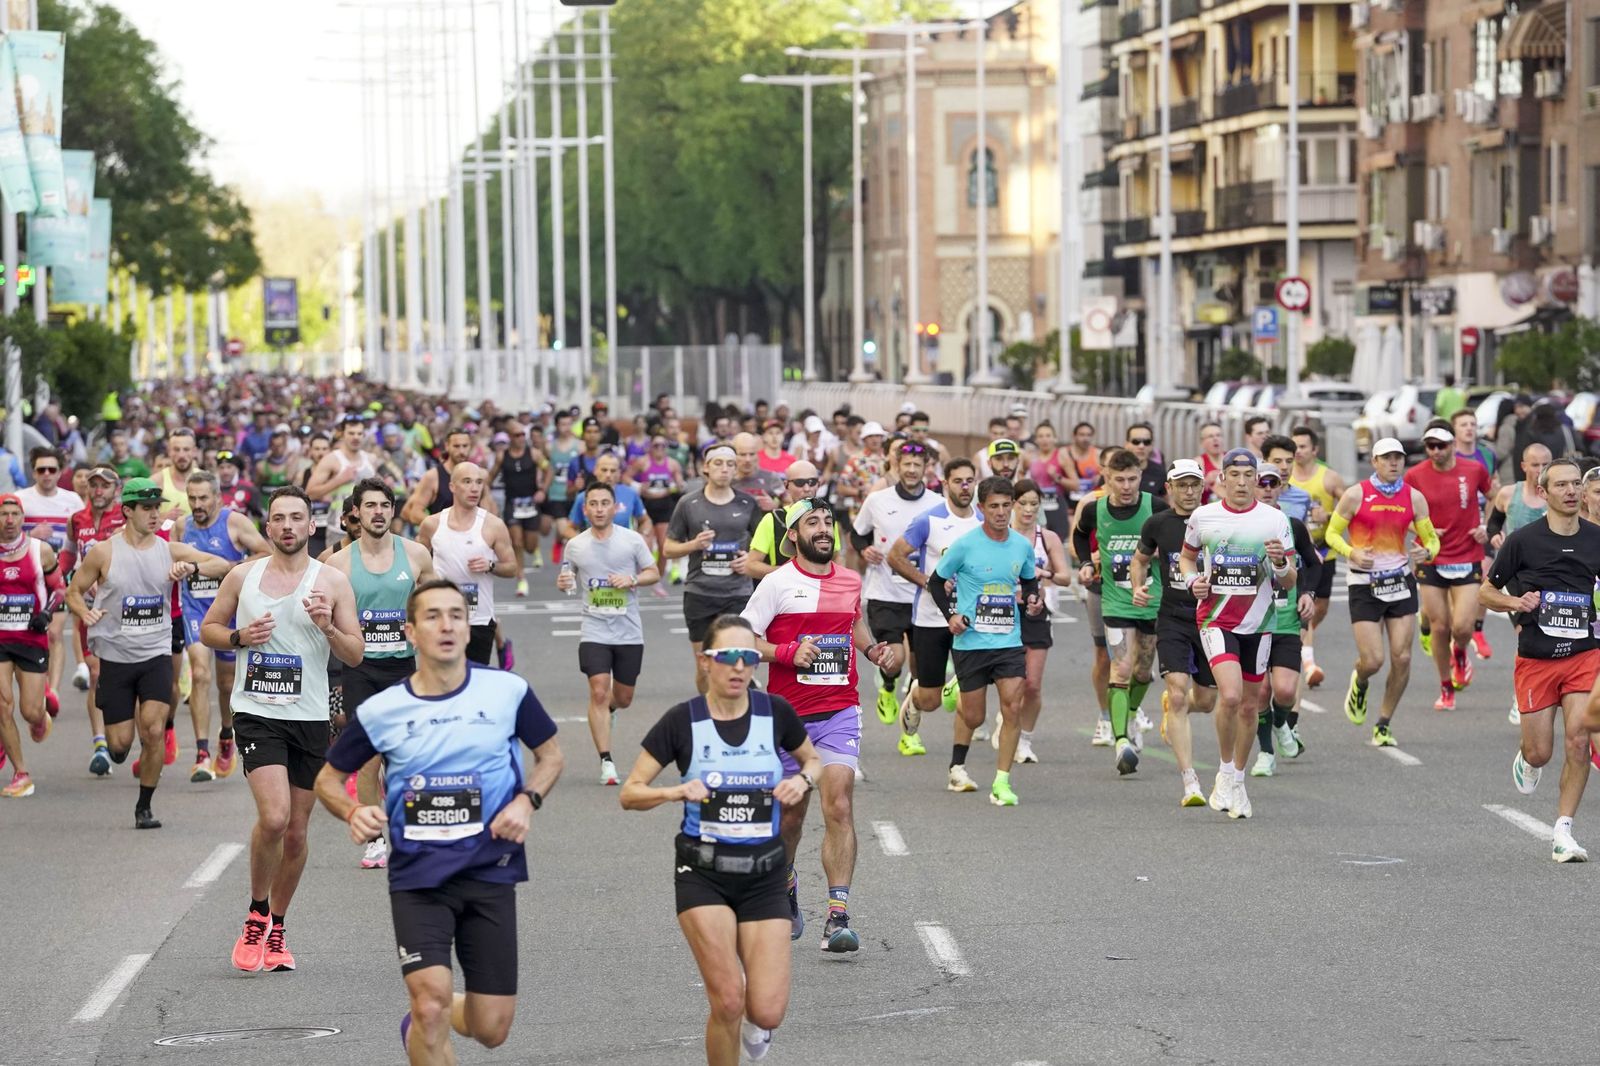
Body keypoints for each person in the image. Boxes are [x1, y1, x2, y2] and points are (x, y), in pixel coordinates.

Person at [316, 580, 563, 1062]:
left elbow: (550, 756)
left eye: (456, 614)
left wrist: (525, 801)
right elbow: (328, 779)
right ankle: (426, 1011)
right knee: (430, 1002)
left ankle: (425, 1013)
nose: (447, 624)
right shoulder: (384, 709)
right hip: (418, 877)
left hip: (490, 870)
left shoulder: (506, 691)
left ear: (468, 628)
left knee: (492, 1029)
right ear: (410, 631)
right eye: (432, 616)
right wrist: (352, 809)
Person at [621, 615, 819, 1066]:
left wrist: (803, 781)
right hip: (703, 875)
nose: (738, 667)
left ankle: (752, 1031)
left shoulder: (775, 713)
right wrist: (675, 790)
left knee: (766, 1009)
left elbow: (814, 761)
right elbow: (630, 793)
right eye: (727, 657)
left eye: (748, 657)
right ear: (705, 661)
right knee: (728, 1000)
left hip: (765, 874)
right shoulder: (682, 722)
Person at [200, 486, 364, 972]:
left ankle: (278, 927)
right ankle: (255, 915)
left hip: (310, 715)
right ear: (267, 527)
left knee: (295, 832)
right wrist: (237, 637)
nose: (288, 526)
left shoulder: (331, 582)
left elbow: (355, 653)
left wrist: (327, 627)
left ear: (312, 527)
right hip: (256, 711)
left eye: (297, 517)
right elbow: (209, 628)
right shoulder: (241, 576)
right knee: (273, 818)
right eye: (279, 518)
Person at [742, 498, 899, 950]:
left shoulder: (849, 580)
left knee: (840, 804)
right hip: (788, 719)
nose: (824, 529)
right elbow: (745, 639)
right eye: (812, 522)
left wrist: (872, 652)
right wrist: (788, 652)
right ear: (793, 535)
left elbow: (854, 625)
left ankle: (838, 915)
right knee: (791, 814)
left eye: (828, 521)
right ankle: (786, 882)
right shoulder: (776, 583)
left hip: (839, 710)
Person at [65, 477, 233, 828]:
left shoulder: (169, 550)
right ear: (127, 511)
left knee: (154, 730)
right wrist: (85, 612)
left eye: (157, 507)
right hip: (114, 654)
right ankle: (117, 745)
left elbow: (223, 565)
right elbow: (74, 591)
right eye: (146, 508)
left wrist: (193, 568)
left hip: (155, 652)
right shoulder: (104, 552)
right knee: (120, 746)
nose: (155, 514)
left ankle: (144, 807)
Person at [1480, 458, 1600, 862]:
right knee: (1541, 752)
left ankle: (1563, 830)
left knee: (1579, 740)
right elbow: (1486, 593)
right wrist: (1517, 601)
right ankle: (1527, 758)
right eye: (1561, 485)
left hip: (1584, 655)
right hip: (1537, 659)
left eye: (1574, 485)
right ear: (1544, 493)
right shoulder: (1523, 541)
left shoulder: (1597, 539)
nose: (1570, 491)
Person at [1176, 449, 1297, 820]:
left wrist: (1279, 563)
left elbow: (1290, 580)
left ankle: (1239, 779)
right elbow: (1186, 558)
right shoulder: (1203, 517)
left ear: (1257, 479)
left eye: (1250, 475)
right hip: (1215, 620)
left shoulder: (1274, 520)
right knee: (1228, 696)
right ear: (1221, 478)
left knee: (1249, 705)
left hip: (1259, 625)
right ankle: (1224, 770)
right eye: (1235, 474)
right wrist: (1193, 581)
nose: (1243, 482)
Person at [327, 477, 437, 869]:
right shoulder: (338, 562)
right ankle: (375, 840)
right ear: (356, 512)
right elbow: (322, 616)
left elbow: (433, 603)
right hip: (359, 667)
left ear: (393, 510)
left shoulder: (417, 555)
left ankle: (414, 832)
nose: (378, 512)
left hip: (404, 668)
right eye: (370, 506)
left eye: (385, 506)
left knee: (407, 756)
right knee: (370, 757)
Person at [926, 476, 1044, 806]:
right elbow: (936, 583)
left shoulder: (1021, 545)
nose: (1002, 512)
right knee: (975, 717)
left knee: (1012, 707)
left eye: (1008, 505)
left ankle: (1002, 782)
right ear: (981, 508)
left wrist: (1033, 599)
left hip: (1008, 640)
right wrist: (951, 616)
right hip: (972, 642)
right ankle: (957, 691)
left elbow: (1030, 582)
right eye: (994, 506)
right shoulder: (965, 545)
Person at [1324, 437, 1438, 746]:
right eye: (1386, 458)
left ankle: (1384, 723)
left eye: (1398, 458)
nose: (1393, 463)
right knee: (1373, 660)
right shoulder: (1355, 495)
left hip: (1400, 581)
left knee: (1402, 658)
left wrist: (1426, 552)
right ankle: (1360, 682)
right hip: (1364, 582)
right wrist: (1351, 553)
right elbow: (1331, 533)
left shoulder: (1414, 498)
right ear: (1374, 461)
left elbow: (1431, 540)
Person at [556, 482, 660, 785]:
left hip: (628, 630)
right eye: (593, 503)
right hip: (594, 628)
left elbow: (653, 573)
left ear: (616, 508)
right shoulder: (575, 544)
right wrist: (565, 584)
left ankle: (612, 709)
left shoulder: (632, 540)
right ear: (585, 509)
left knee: (623, 697)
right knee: (598, 690)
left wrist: (632, 579)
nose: (599, 509)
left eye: (605, 503)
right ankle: (607, 762)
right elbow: (567, 578)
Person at [1074, 447, 1166, 773]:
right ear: (1107, 478)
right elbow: (1080, 535)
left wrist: (1154, 556)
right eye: (1119, 480)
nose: (1126, 487)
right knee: (1121, 669)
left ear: (1140, 477)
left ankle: (1127, 714)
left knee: (1143, 672)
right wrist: (1086, 562)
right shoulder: (1094, 509)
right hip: (1115, 601)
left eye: (1132, 479)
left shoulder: (1155, 506)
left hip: (1151, 600)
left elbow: (1174, 540)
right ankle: (1121, 741)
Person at [1131, 460, 1217, 806]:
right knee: (1179, 694)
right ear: (1169, 488)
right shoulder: (1158, 524)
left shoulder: (1216, 520)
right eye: (1182, 485)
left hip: (1212, 618)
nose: (1189, 491)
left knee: (1207, 701)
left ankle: (1174, 709)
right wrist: (1138, 588)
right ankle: (1190, 781)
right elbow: (1140, 559)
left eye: (1195, 484)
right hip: (1173, 617)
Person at [175, 469, 270, 782]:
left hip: (229, 610)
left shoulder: (234, 522)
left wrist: (230, 569)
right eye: (192, 498)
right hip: (195, 608)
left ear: (217, 497)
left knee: (226, 684)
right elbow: (169, 559)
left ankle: (226, 735)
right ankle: (201, 753)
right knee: (199, 673)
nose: (198, 504)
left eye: (204, 498)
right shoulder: (181, 526)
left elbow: (264, 552)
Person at [889, 460, 979, 765]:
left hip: (969, 620)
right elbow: (895, 556)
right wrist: (928, 582)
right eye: (958, 481)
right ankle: (914, 697)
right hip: (930, 619)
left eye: (969, 481)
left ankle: (958, 766)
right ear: (945, 484)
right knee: (931, 700)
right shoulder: (929, 520)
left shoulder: (983, 521)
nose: (964, 487)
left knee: (971, 691)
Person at [851, 439, 941, 725]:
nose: (912, 470)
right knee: (896, 660)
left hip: (922, 597)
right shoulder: (878, 500)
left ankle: (909, 717)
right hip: (885, 593)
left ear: (927, 468)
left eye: (918, 465)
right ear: (896, 466)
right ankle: (888, 687)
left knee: (919, 667)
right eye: (907, 465)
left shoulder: (938, 505)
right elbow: (858, 533)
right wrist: (865, 549)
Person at [1405, 421, 1493, 711]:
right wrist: (1420, 531)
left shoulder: (1473, 470)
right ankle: (1445, 687)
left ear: (1453, 445)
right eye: (1430, 446)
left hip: (1467, 554)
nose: (1435, 451)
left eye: (1441, 445)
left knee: (1463, 626)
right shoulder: (1415, 475)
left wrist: (1486, 527)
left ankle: (1462, 652)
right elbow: (1401, 511)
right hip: (1432, 557)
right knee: (1440, 626)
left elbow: (1494, 498)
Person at [664, 442, 764, 694]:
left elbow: (764, 543)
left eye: (730, 464)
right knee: (706, 667)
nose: (724, 469)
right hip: (700, 592)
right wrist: (694, 544)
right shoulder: (688, 503)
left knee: (734, 660)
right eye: (718, 463)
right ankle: (708, 714)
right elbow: (668, 548)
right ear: (705, 468)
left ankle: (735, 711)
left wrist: (748, 560)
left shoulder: (747, 504)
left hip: (737, 594)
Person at [1248, 466, 1320, 777]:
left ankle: (1280, 724)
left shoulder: (1292, 526)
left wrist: (1308, 594)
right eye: (1260, 483)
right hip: (1251, 621)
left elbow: (1313, 565)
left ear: (1281, 487)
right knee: (1261, 692)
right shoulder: (1240, 525)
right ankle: (1265, 753)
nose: (1266, 488)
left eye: (1272, 483)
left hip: (1287, 620)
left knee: (1286, 692)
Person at [416, 463, 518, 667]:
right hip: (440, 617)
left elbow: (512, 567)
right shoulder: (432, 524)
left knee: (473, 681)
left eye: (479, 482)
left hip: (478, 619)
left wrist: (490, 565)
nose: (474, 488)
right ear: (453, 486)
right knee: (442, 678)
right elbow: (416, 564)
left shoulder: (493, 525)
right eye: (467, 482)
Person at [64, 466, 125, 775]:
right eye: (93, 485)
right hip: (89, 609)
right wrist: (67, 580)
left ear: (116, 488)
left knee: (126, 674)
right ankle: (100, 744)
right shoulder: (77, 520)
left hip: (123, 610)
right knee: (96, 672)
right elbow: (68, 554)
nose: (98, 490)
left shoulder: (127, 518)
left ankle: (126, 735)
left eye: (104, 485)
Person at [0, 494, 62, 797]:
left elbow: (59, 589)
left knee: (30, 711)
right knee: (2, 705)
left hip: (30, 638)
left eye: (14, 514)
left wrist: (47, 613)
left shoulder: (41, 551)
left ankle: (40, 718)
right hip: (1, 639)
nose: (9, 520)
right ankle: (21, 773)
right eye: (3, 514)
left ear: (23, 518)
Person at [1007, 479, 1073, 765]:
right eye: (1023, 503)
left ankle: (1024, 739)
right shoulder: (1000, 536)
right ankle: (1007, 723)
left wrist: (1039, 574)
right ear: (1012, 505)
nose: (1029, 509)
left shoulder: (1047, 538)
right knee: (1010, 682)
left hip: (1036, 613)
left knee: (1032, 684)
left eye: (1034, 504)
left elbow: (1064, 577)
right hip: (1003, 612)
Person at [17, 445, 83, 709]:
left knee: (55, 633)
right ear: (33, 472)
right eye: (41, 469)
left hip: (59, 575)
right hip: (28, 578)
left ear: (60, 472)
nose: (46, 474)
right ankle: (39, 684)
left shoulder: (73, 501)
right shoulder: (21, 499)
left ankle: (52, 692)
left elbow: (80, 538)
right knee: (36, 635)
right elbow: (6, 537)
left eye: (51, 470)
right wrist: (31, 536)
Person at [1288, 426, 1346, 688]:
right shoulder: (1283, 479)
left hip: (1324, 551)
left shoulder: (1329, 478)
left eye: (1303, 446)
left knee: (1319, 608)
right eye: (1294, 446)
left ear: (1314, 450)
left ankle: (1301, 640)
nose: (1298, 451)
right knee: (1305, 607)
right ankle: (1308, 661)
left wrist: (1330, 516)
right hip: (1296, 554)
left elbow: (1351, 510)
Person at [486, 426, 546, 598]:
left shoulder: (534, 454)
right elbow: (490, 477)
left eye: (522, 434)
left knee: (530, 545)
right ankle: (521, 580)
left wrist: (542, 489)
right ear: (510, 437)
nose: (520, 437)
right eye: (517, 435)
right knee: (517, 541)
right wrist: (485, 494)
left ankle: (534, 551)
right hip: (512, 504)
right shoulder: (502, 456)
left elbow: (548, 469)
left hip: (530, 504)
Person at [627, 435, 685, 595]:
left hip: (665, 505)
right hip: (647, 506)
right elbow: (625, 477)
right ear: (650, 447)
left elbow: (680, 483)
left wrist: (676, 485)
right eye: (656, 445)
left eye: (662, 445)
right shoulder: (643, 462)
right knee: (645, 543)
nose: (659, 449)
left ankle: (656, 579)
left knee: (663, 545)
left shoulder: (672, 464)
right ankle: (637, 575)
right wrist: (638, 486)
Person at [1125, 423, 1166, 498]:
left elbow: (1169, 503)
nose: (1141, 446)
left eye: (1146, 442)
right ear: (1127, 444)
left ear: (1152, 446)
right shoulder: (1115, 470)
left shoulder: (1160, 472)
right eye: (1136, 442)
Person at [1196, 421, 1225, 503]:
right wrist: (1205, 481)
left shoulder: (1232, 459)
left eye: (1218, 435)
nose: (1215, 439)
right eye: (1210, 436)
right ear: (1202, 442)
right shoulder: (1198, 463)